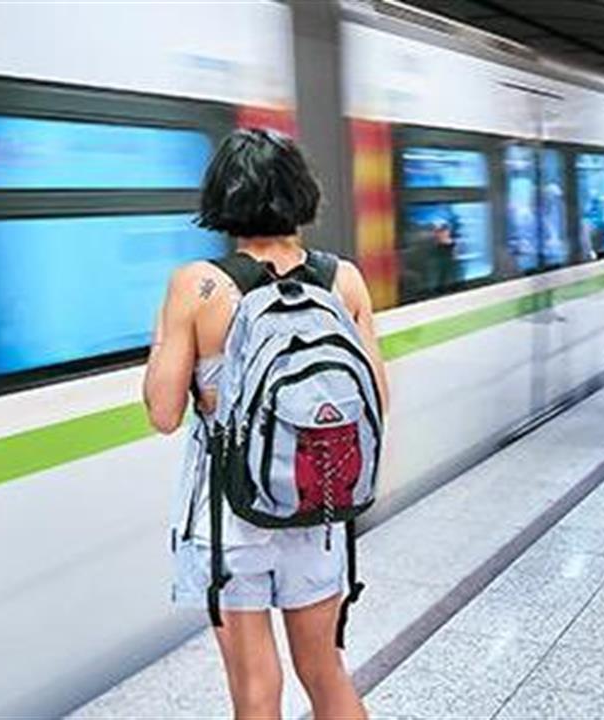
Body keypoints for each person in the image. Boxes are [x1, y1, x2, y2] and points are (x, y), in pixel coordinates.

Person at [143, 129, 387, 720]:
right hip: (316, 503)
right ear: (301, 192)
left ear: (221, 196)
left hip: (231, 515)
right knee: (325, 671)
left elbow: (163, 413)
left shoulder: (196, 285)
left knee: (256, 688)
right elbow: (376, 400)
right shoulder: (343, 279)